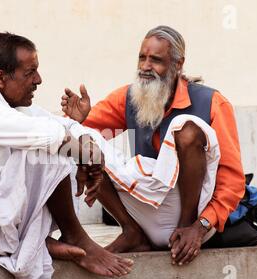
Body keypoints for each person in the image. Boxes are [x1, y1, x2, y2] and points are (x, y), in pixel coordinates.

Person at [0, 32, 133, 279]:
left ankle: (38, 242)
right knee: (44, 152)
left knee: (54, 146)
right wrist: (85, 155)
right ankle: (73, 235)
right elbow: (47, 136)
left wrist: (85, 146)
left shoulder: (6, 104)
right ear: (0, 77)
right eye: (30, 72)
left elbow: (62, 126)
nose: (38, 80)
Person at [61, 25, 247, 266]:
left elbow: (232, 180)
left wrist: (199, 227)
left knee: (187, 129)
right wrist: (80, 121)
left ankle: (185, 225)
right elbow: (75, 137)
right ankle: (131, 232)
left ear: (177, 65)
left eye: (156, 60)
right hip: (146, 213)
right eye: (142, 58)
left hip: (193, 219)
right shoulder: (129, 97)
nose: (146, 67)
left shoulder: (213, 102)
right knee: (81, 141)